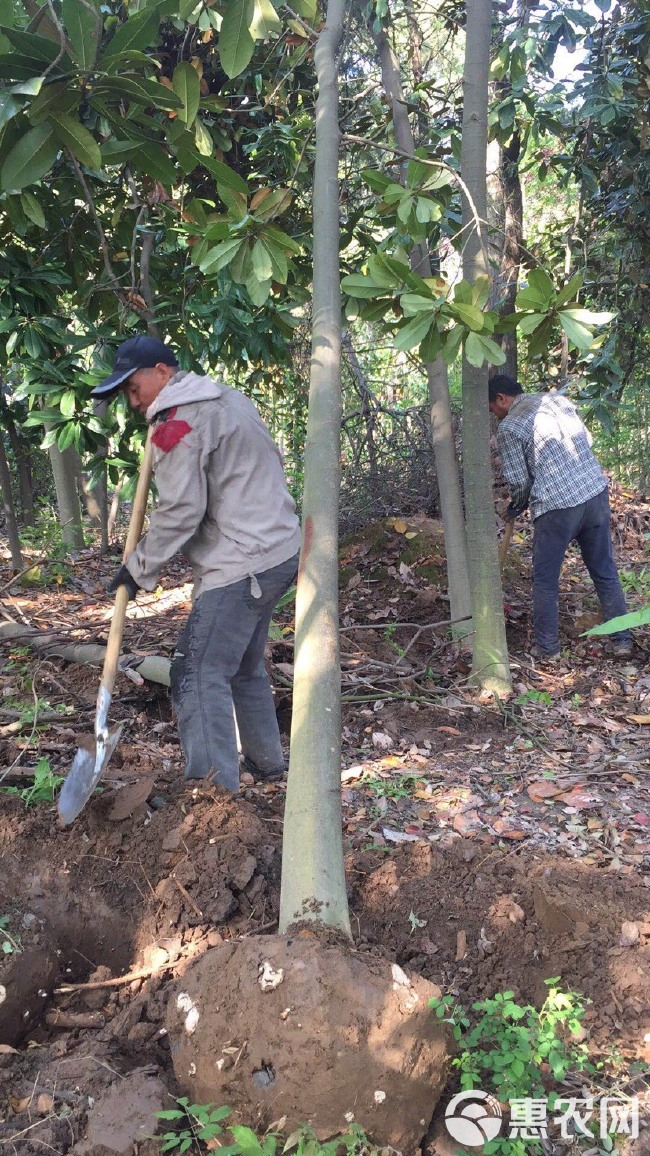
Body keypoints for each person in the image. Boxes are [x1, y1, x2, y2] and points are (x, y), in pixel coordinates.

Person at [92, 334, 301, 791]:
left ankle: (212, 793)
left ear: (163, 372)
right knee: (241, 666)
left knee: (196, 671)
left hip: (242, 560)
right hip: (278, 550)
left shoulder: (178, 423)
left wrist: (138, 568)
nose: (132, 401)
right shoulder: (226, 398)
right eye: (126, 394)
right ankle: (268, 765)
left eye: (134, 388)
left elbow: (182, 509)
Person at [488, 374, 633, 661]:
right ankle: (623, 640)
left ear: (502, 398)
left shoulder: (510, 427)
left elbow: (519, 481)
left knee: (545, 580)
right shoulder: (558, 401)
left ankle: (548, 649)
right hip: (594, 493)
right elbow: (586, 439)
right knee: (604, 572)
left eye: (492, 407)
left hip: (557, 507)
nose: (494, 414)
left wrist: (516, 505)